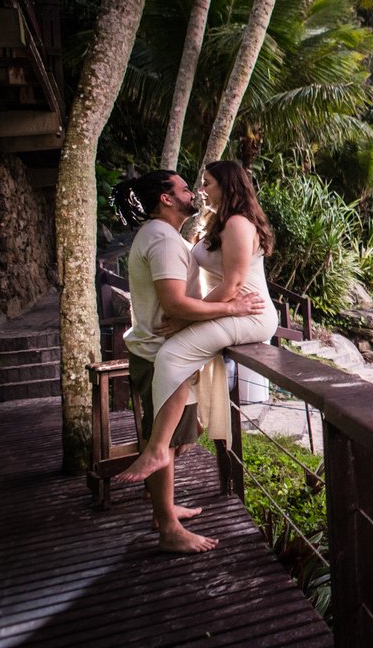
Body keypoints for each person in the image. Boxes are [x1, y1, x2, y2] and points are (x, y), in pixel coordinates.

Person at [111, 169, 266, 553]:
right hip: (157, 349)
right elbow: (175, 304)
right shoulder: (163, 239)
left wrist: (223, 307)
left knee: (177, 435)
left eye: (203, 184)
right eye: (184, 188)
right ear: (166, 199)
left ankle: (163, 509)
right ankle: (167, 527)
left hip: (159, 343)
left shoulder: (169, 235)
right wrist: (229, 306)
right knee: (162, 439)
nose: (194, 191)